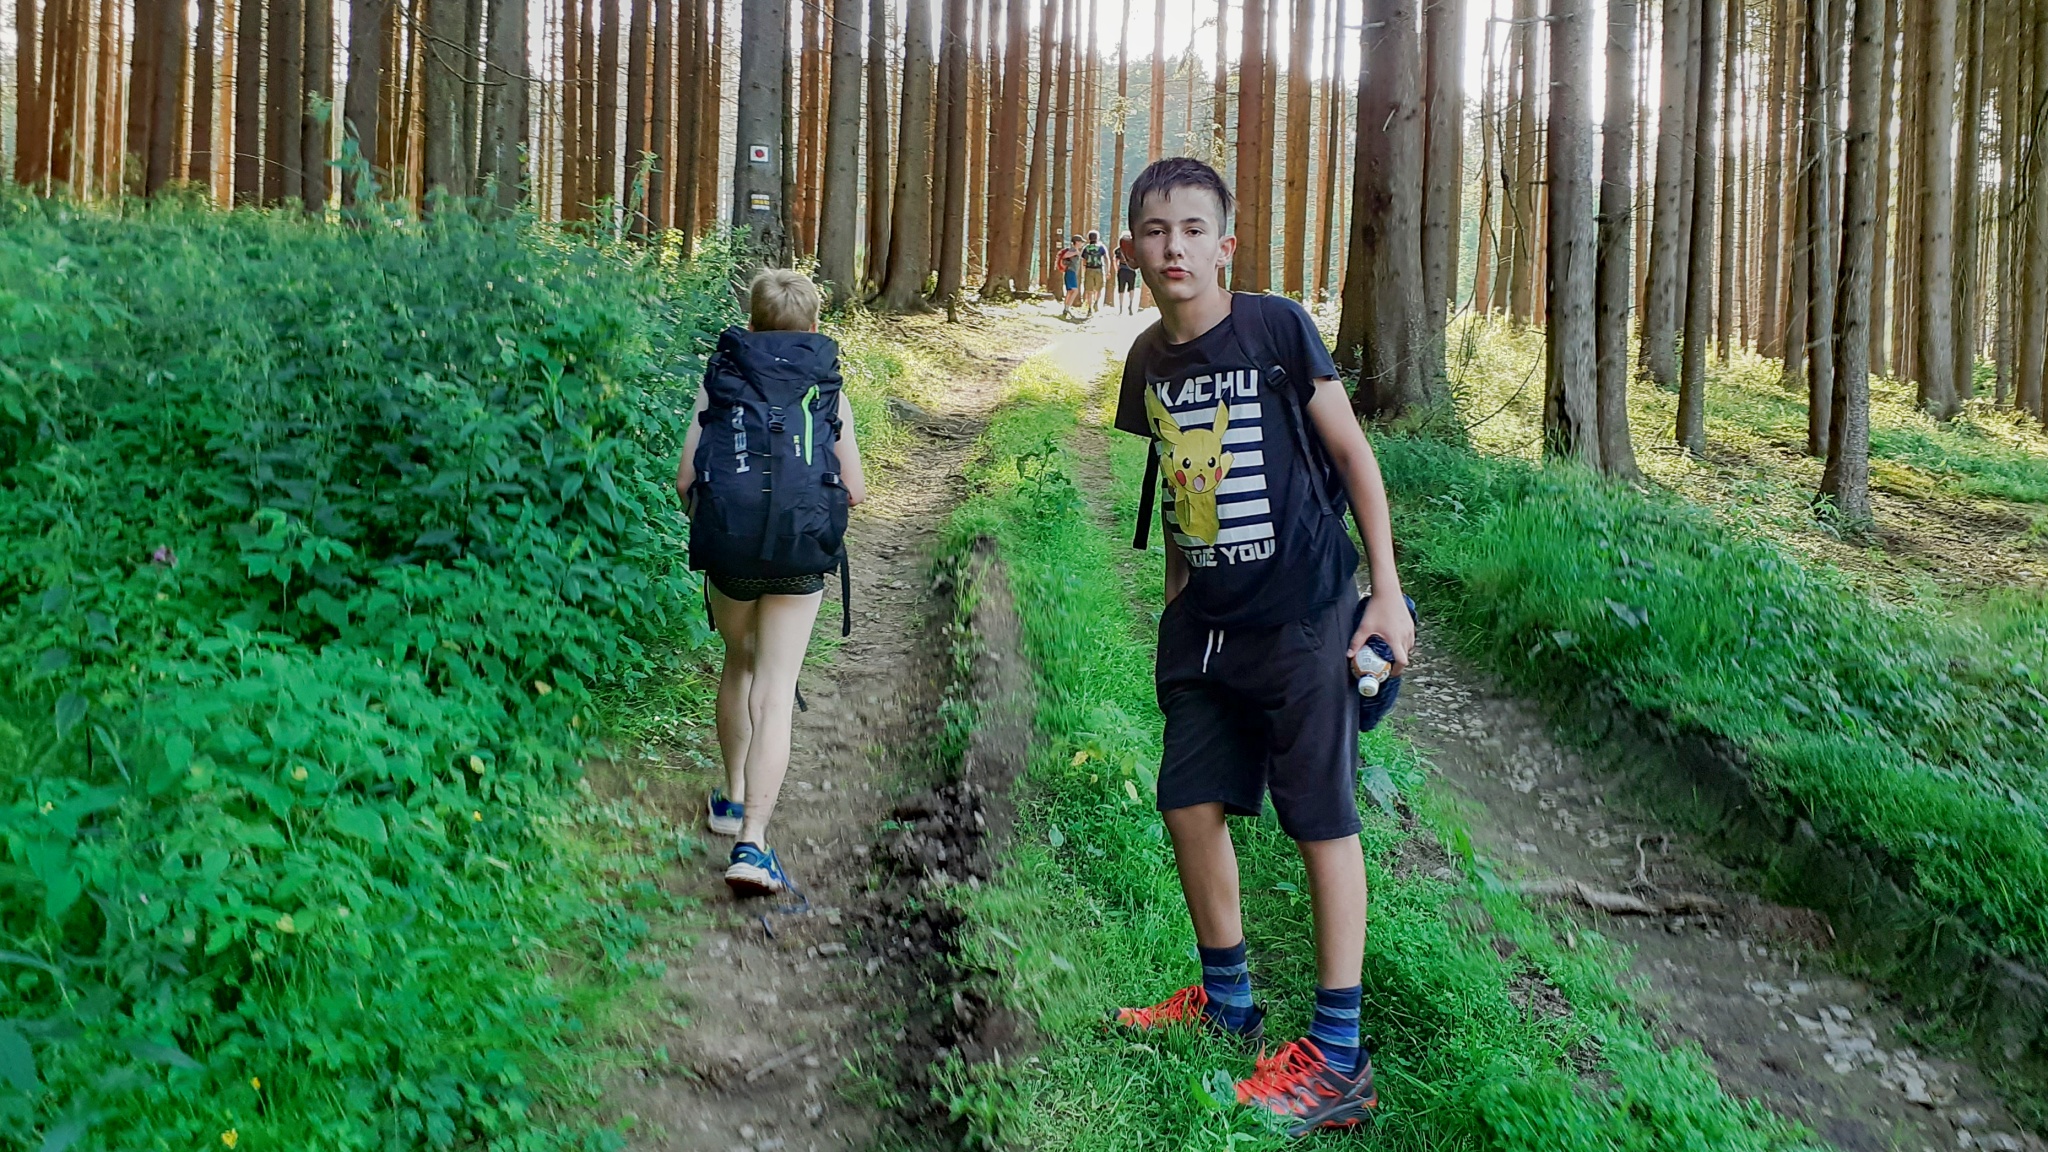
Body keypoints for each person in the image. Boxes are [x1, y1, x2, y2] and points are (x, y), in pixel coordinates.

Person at [1107, 157, 1413, 1137]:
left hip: (1305, 614)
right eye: (1156, 230)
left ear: (1224, 245)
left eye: (1193, 229)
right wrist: (1173, 614)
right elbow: (1178, 492)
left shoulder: (1275, 329)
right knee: (1187, 801)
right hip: (1205, 625)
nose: (1174, 247)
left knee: (1319, 817)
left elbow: (1353, 455)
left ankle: (1337, 1060)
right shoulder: (1146, 360)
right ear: (1131, 248)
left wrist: (1386, 596)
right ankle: (1227, 1003)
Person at [676, 270, 868, 897]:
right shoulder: (826, 388)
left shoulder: (721, 382)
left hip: (730, 552)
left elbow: (686, 482)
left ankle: (731, 799)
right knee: (777, 688)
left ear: (751, 322)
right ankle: (752, 843)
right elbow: (856, 489)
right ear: (813, 326)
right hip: (799, 554)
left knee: (740, 663)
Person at [1080, 230, 1109, 316]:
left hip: (1089, 269)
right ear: (1097, 238)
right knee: (1099, 288)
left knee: (1089, 290)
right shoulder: (1101, 247)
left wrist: (1083, 271)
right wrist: (1107, 271)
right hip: (1099, 269)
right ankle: (1096, 302)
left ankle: (1089, 308)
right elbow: (1107, 258)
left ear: (1088, 238)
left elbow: (1083, 260)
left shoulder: (1086, 248)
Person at [1057, 234, 1083, 318]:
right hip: (1070, 271)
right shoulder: (1073, 250)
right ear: (1077, 242)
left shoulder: (1074, 250)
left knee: (1070, 291)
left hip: (1071, 272)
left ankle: (1066, 308)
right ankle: (1067, 308)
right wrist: (1075, 253)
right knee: (1075, 291)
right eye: (1081, 242)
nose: (1082, 243)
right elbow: (1065, 255)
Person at [1114, 232, 1140, 314]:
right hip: (1131, 270)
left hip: (1122, 270)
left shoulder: (1118, 250)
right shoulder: (1133, 249)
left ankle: (1121, 308)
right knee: (1131, 289)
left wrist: (1117, 268)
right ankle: (1130, 305)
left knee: (1121, 290)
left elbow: (1115, 260)